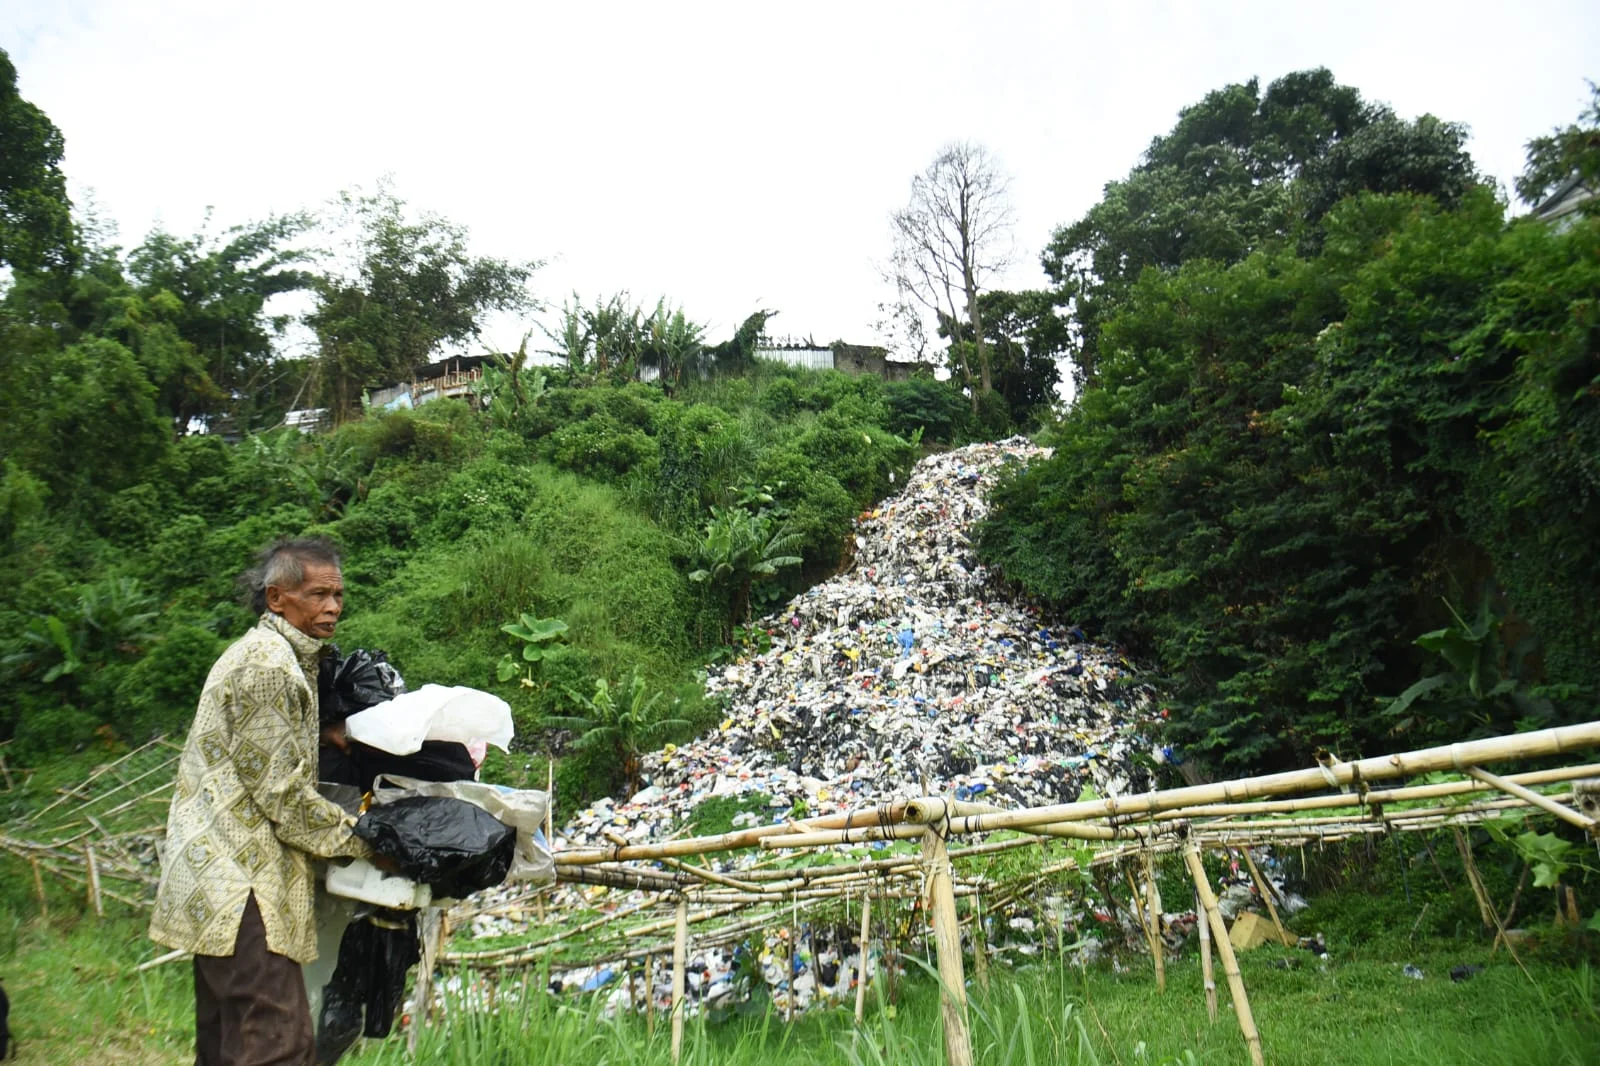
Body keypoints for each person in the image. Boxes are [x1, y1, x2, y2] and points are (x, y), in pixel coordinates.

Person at [150, 538, 374, 1066]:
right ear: (277, 598)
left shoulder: (274, 659)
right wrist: (363, 840)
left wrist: (320, 735)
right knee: (277, 1043)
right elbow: (282, 793)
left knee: (228, 1040)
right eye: (318, 594)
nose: (334, 607)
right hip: (241, 882)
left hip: (217, 876)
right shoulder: (269, 668)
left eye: (338, 595)